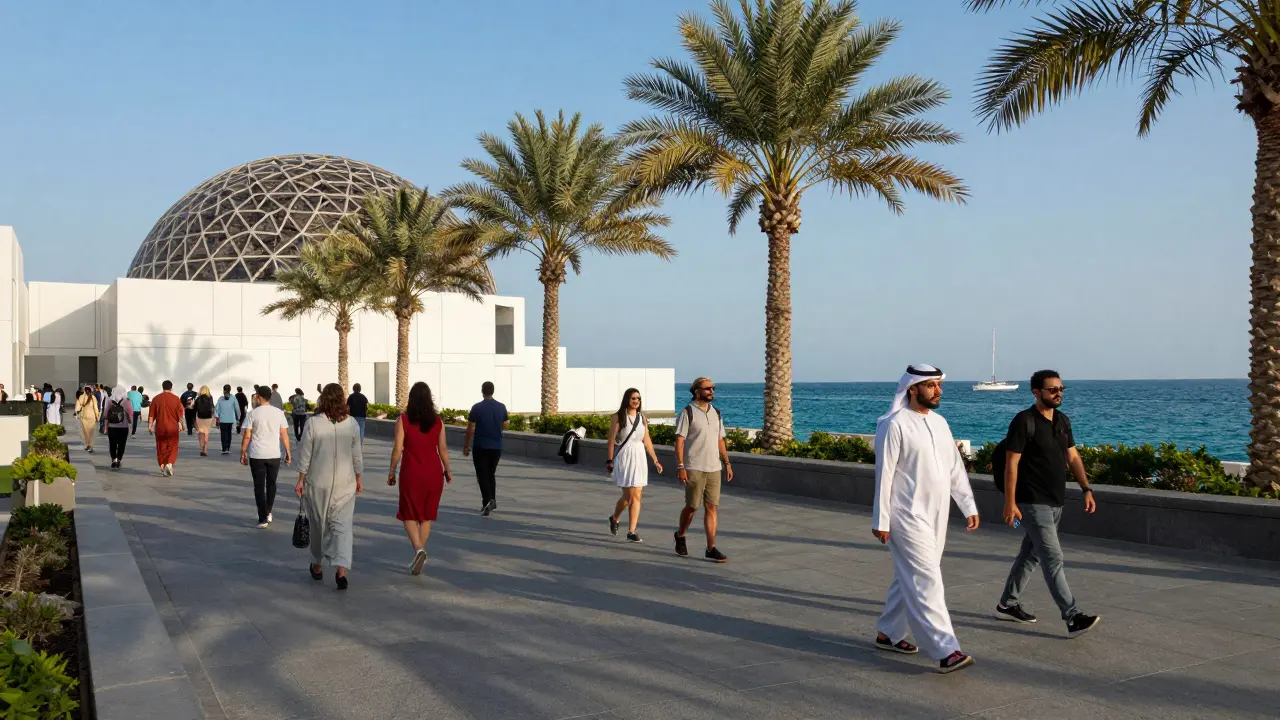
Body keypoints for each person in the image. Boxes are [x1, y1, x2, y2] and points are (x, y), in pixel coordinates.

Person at [871, 365, 980, 674]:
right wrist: (881, 518)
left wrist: (968, 505)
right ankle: (946, 650)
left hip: (937, 512)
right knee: (927, 578)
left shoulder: (941, 423)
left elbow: (955, 468)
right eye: (931, 385)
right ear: (913, 389)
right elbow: (885, 474)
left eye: (938, 385)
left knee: (911, 574)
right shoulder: (894, 425)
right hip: (905, 513)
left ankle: (889, 633)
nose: (938, 390)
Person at [995, 370, 1101, 638]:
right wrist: (1010, 502)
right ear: (1036, 392)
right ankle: (1073, 616)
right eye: (1052, 389)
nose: (1058, 393)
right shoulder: (1024, 421)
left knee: (1031, 554)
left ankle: (1007, 603)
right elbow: (1011, 464)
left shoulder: (1062, 421)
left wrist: (1086, 488)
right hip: (1031, 501)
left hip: (1056, 500)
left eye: (1061, 389)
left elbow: (1073, 458)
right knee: (1053, 558)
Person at [296, 383, 363, 589]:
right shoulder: (351, 424)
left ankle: (317, 564)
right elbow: (356, 455)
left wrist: (300, 479)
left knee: (319, 526)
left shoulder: (313, 424)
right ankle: (341, 570)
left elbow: (305, 454)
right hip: (346, 483)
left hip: (319, 483)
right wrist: (358, 478)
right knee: (342, 527)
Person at [388, 381, 452, 575]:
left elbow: (398, 448)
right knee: (426, 515)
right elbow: (443, 449)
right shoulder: (438, 422)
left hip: (412, 473)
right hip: (434, 474)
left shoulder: (403, 420)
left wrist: (392, 470)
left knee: (408, 512)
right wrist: (448, 470)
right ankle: (419, 552)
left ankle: (418, 549)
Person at [673, 377, 733, 562]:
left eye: (713, 388)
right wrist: (681, 466)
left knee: (712, 507)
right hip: (694, 466)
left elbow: (720, 440)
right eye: (708, 388)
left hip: (714, 467)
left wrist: (727, 463)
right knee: (692, 506)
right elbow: (679, 442)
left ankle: (710, 547)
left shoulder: (716, 412)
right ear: (697, 391)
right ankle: (681, 534)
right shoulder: (687, 412)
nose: (711, 391)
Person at [607, 388, 663, 543]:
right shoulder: (618, 417)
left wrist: (655, 459)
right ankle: (615, 518)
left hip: (639, 456)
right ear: (627, 400)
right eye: (633, 398)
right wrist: (609, 460)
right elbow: (611, 440)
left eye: (638, 398)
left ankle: (631, 531)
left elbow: (647, 440)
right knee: (628, 496)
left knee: (636, 494)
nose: (636, 401)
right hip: (625, 456)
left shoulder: (642, 418)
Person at [242, 385, 291, 528]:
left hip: (257, 454)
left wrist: (243, 451)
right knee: (271, 483)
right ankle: (268, 511)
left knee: (259, 486)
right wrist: (288, 452)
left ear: (259, 396)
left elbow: (247, 435)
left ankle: (262, 518)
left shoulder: (253, 414)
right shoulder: (279, 413)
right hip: (274, 454)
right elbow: (284, 434)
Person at [463, 381, 508, 516]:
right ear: (493, 391)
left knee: (482, 475)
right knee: (490, 473)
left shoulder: (477, 407)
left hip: (480, 445)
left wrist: (466, 445)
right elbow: (505, 425)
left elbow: (470, 428)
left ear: (482, 391)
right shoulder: (501, 407)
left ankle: (487, 501)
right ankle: (491, 500)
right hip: (496, 446)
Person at [148, 380, 186, 476]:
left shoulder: (156, 399)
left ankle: (162, 464)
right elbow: (180, 415)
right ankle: (169, 463)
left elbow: (151, 415)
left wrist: (150, 426)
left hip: (160, 427)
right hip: (172, 427)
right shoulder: (176, 399)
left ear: (162, 387)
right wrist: (183, 425)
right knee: (173, 446)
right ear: (171, 388)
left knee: (161, 446)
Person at [103, 386, 134, 470]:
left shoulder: (110, 401)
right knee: (122, 444)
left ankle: (114, 459)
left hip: (111, 427)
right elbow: (130, 414)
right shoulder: (127, 402)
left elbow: (105, 415)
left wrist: (105, 427)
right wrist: (131, 423)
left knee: (112, 444)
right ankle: (119, 459)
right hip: (123, 427)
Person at [215, 385, 241, 455]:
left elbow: (217, 409)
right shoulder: (233, 398)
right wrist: (238, 417)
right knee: (229, 433)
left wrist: (217, 417)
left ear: (223, 389)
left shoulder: (220, 399)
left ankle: (224, 448)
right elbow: (237, 408)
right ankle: (228, 448)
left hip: (222, 419)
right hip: (230, 419)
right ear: (230, 389)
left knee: (223, 434)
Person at [74, 385, 100, 453]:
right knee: (91, 432)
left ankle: (87, 444)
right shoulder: (93, 397)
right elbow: (95, 407)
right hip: (92, 417)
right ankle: (90, 446)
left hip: (84, 416)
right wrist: (97, 416)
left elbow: (78, 407)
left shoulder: (81, 397)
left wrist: (76, 413)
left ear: (84, 390)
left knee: (85, 432)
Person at [193, 385, 215, 456]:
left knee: (201, 432)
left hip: (200, 417)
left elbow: (195, 409)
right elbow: (212, 407)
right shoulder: (210, 398)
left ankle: (202, 447)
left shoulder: (198, 398)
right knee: (206, 433)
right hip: (208, 417)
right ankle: (205, 449)